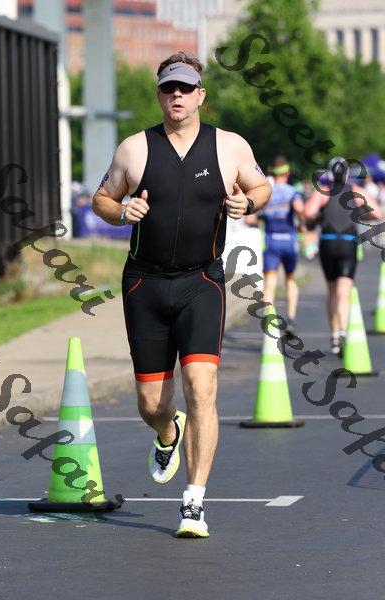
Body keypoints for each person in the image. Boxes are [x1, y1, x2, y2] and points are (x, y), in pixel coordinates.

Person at [92, 52, 271, 538]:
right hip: (144, 284)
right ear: (159, 95)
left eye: (186, 88)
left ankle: (193, 501)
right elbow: (101, 199)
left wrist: (248, 202)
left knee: (202, 388)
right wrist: (120, 211)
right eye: (170, 88)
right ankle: (167, 432)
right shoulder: (134, 148)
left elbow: (262, 187)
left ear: (200, 96)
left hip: (202, 283)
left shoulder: (229, 146)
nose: (178, 95)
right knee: (151, 403)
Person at [304, 157, 382, 355]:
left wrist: (320, 217)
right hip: (348, 243)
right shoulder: (355, 191)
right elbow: (377, 213)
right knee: (344, 292)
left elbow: (308, 212)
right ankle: (343, 331)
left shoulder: (323, 192)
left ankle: (334, 335)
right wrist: (359, 214)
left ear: (329, 173)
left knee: (331, 291)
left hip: (328, 243)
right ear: (347, 174)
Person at [246, 156, 305, 337]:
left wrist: (260, 218)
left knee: (270, 283)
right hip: (289, 241)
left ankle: (269, 320)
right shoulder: (292, 191)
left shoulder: (267, 192)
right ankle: (291, 319)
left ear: (271, 172)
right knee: (290, 280)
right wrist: (303, 224)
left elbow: (250, 219)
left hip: (271, 242)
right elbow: (300, 209)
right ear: (287, 173)